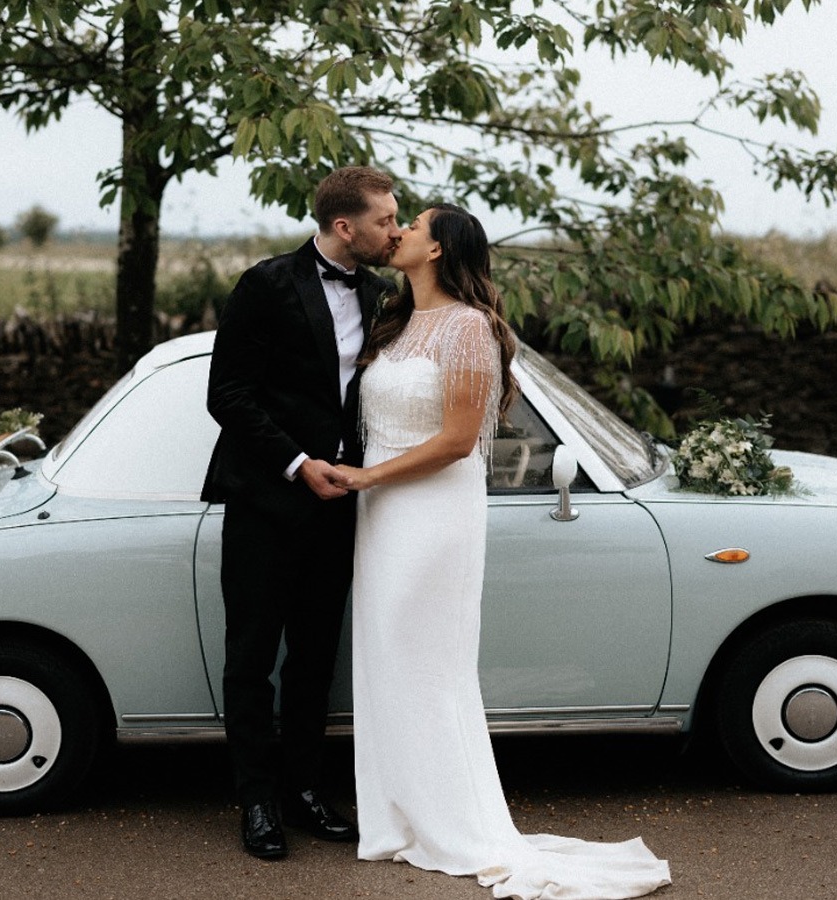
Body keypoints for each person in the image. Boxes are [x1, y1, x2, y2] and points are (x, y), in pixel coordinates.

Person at [335, 204, 672, 898]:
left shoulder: (467, 327)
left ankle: (452, 820)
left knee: (427, 660)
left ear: (438, 249)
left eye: (412, 225)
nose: (397, 232)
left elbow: (459, 440)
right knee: (386, 657)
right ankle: (402, 815)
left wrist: (368, 475)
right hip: (383, 513)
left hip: (431, 511)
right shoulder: (396, 322)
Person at [203, 166, 401, 860]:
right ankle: (256, 801)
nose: (396, 231)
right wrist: (296, 462)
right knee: (252, 656)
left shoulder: (380, 294)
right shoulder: (267, 284)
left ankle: (305, 790)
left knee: (316, 657)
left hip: (341, 505)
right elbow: (227, 393)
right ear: (344, 226)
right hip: (264, 499)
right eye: (385, 220)